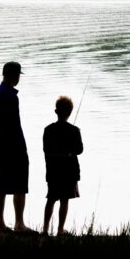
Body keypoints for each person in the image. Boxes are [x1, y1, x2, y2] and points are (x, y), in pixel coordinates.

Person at [0, 61, 35, 234]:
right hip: (14, 146)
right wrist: (21, 148)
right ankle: (19, 223)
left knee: (1, 186)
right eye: (18, 76)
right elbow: (14, 125)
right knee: (20, 186)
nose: (18, 79)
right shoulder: (10, 96)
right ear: (14, 76)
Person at [42, 95, 83, 236]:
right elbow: (79, 150)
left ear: (56, 111)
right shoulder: (75, 130)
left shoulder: (48, 130)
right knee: (64, 200)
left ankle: (45, 229)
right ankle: (60, 230)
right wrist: (69, 152)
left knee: (51, 199)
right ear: (70, 113)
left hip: (53, 171)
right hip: (69, 172)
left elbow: (46, 150)